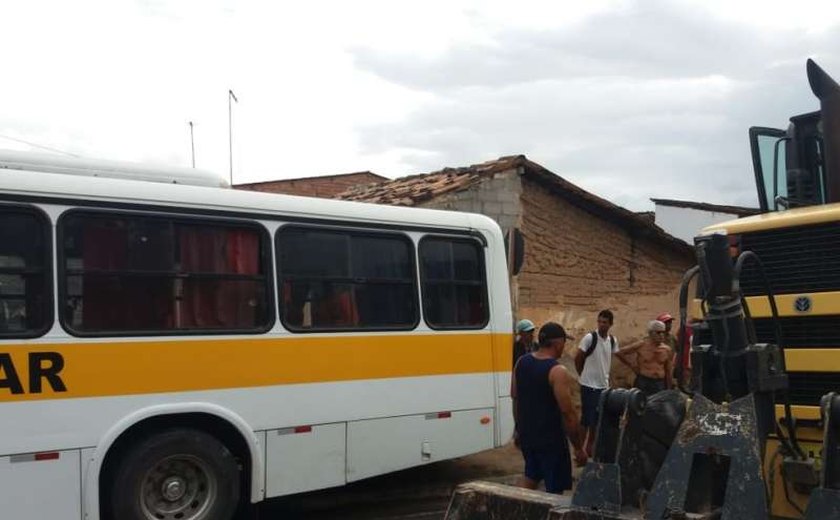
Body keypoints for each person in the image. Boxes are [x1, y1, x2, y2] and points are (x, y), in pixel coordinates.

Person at [511, 322, 587, 494]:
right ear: (558, 343)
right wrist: (578, 448)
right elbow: (568, 413)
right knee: (554, 490)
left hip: (528, 434)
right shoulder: (557, 371)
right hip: (551, 439)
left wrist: (518, 429)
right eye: (564, 343)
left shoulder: (521, 362)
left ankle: (514, 509)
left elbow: (515, 398)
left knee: (531, 476)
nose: (564, 347)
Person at [574, 309, 618, 458]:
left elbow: (610, 359)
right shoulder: (589, 338)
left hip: (603, 386)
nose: (601, 325)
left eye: (605, 322)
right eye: (599, 321)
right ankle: (579, 450)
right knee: (586, 419)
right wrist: (583, 375)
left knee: (597, 420)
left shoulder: (612, 340)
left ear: (611, 324)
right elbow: (578, 358)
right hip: (589, 386)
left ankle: (590, 447)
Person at [615, 320, 675, 397]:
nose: (661, 335)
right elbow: (619, 352)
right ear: (650, 333)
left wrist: (669, 389)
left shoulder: (667, 350)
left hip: (659, 383)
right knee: (639, 405)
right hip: (644, 381)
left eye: (663, 332)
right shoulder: (641, 345)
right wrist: (632, 365)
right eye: (658, 333)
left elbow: (668, 371)